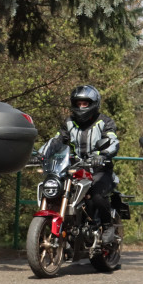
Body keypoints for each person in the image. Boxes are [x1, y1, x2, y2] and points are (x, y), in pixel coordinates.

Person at [54, 85, 120, 244]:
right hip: (74, 168)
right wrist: (41, 154)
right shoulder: (68, 122)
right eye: (78, 103)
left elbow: (112, 140)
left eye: (85, 103)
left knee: (96, 196)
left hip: (99, 169)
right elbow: (56, 141)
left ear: (93, 104)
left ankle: (107, 225)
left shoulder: (105, 121)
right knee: (54, 190)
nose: (81, 107)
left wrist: (103, 154)